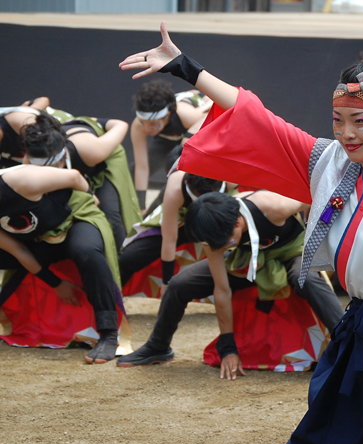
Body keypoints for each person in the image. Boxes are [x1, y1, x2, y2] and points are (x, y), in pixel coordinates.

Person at [120, 22, 363, 444]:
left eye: (361, 121)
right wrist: (187, 68)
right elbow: (257, 120)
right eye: (338, 120)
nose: (348, 133)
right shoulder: (326, 161)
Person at [117, 190, 345, 371]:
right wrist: (227, 348)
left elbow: (313, 197)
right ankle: (158, 346)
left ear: (237, 223)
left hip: (292, 251)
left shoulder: (275, 206)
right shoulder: (213, 231)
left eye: (226, 242)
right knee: (180, 283)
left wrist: (318, 246)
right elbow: (222, 289)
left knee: (307, 279)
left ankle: (348, 343)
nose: (221, 246)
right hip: (245, 260)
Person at [0, 163, 123, 363]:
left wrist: (91, 196)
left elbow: (74, 176)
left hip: (76, 217)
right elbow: (18, 251)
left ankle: (108, 332)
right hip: (40, 238)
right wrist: (56, 283)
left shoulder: (19, 180)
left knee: (85, 251)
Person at [19, 113, 141, 248]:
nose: (49, 172)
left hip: (106, 157)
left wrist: (95, 120)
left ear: (63, 156)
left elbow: (121, 124)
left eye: (53, 166)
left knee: (110, 213)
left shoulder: (93, 149)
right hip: (76, 165)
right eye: (41, 168)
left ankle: (122, 257)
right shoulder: (28, 162)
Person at [119, 168, 232, 291]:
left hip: (219, 223)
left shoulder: (231, 179)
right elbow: (169, 239)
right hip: (181, 221)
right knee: (127, 259)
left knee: (236, 255)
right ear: (186, 183)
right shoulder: (176, 186)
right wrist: (167, 282)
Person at [130, 80, 210, 212]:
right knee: (133, 173)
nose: (147, 128)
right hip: (168, 137)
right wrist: (141, 207)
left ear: (167, 116)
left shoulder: (188, 115)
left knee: (177, 172)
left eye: (153, 123)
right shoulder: (139, 126)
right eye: (143, 122)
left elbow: (213, 110)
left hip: (190, 129)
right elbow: (142, 168)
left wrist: (207, 101)